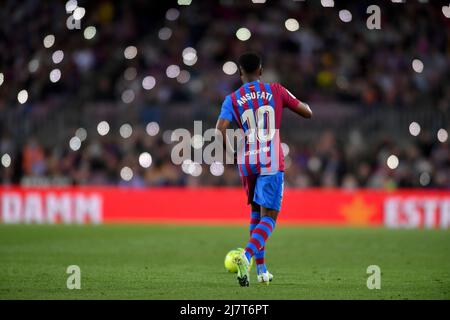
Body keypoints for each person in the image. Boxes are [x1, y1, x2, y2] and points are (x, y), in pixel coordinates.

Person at [215, 52, 313, 286]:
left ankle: (261, 272)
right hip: (270, 159)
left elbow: (220, 128)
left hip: (247, 159)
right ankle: (245, 256)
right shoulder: (276, 90)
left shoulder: (232, 98)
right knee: (270, 218)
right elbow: (307, 112)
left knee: (256, 214)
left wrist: (231, 153)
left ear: (240, 74)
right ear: (261, 71)